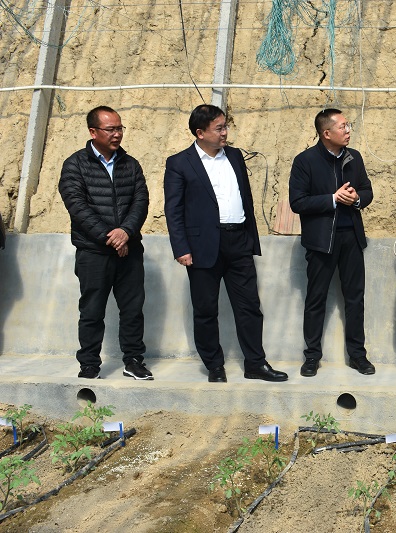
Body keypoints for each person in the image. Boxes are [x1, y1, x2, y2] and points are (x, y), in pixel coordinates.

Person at [164, 104, 287, 383]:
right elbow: (174, 209)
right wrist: (181, 248)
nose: (225, 133)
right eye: (219, 128)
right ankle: (214, 365)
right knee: (206, 310)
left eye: (225, 126)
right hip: (202, 246)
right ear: (200, 133)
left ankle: (255, 363)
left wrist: (250, 237)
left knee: (249, 307)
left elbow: (245, 197)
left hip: (238, 241)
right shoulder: (179, 163)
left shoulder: (234, 155)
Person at [58, 106, 152, 380]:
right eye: (111, 129)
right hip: (94, 253)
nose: (117, 134)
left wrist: (126, 232)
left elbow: (141, 201)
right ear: (93, 132)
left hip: (129, 250)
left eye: (120, 128)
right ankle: (89, 365)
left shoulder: (130, 164)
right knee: (92, 311)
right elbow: (77, 206)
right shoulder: (75, 164)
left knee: (132, 310)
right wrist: (111, 237)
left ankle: (133, 361)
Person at [289, 108, 375, 377]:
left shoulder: (354, 157)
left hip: (351, 238)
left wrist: (357, 199)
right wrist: (333, 199)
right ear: (326, 133)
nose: (348, 131)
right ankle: (312, 356)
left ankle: (358, 356)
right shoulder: (305, 161)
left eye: (348, 126)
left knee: (355, 299)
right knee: (316, 299)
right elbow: (297, 202)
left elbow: (367, 190)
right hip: (321, 241)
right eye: (342, 126)